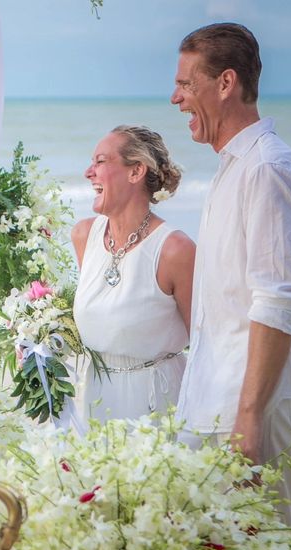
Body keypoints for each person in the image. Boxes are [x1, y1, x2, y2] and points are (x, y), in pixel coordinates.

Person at [171, 23, 291, 526]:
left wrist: (248, 417)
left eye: (185, 83)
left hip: (246, 410)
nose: (175, 97)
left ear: (225, 83)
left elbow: (279, 300)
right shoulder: (233, 167)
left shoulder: (267, 168)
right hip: (216, 396)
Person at [62, 125, 196, 435]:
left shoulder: (175, 249)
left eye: (100, 161)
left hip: (157, 401)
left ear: (136, 171)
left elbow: (205, 345)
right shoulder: (84, 235)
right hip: (97, 398)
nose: (87, 172)